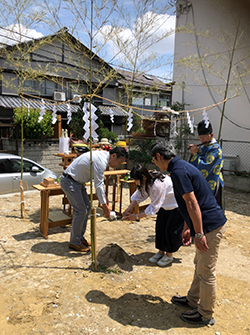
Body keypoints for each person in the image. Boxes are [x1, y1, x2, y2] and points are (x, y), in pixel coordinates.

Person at [150, 140, 227, 326]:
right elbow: (188, 203)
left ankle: (205, 314)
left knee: (206, 271)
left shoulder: (177, 171)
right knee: (199, 265)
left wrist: (199, 233)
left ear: (159, 156)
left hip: (210, 225)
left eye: (154, 160)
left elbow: (192, 203)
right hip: (205, 224)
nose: (155, 164)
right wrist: (187, 227)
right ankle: (192, 300)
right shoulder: (181, 166)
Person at [60, 146, 128, 252]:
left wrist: (106, 205)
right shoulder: (100, 161)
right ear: (113, 155)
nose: (118, 165)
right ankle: (74, 242)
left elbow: (100, 186)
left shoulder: (103, 157)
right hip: (70, 182)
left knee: (87, 208)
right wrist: (105, 208)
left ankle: (79, 237)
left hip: (77, 182)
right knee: (81, 211)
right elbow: (99, 186)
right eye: (120, 162)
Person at [122, 164, 184, 267]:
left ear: (144, 177)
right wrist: (130, 207)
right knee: (160, 229)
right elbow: (140, 195)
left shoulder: (158, 184)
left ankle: (169, 255)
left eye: (136, 180)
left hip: (175, 207)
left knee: (170, 231)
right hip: (164, 207)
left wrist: (137, 217)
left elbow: (154, 206)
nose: (136, 183)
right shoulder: (145, 181)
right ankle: (160, 252)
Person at [188, 120, 224, 208]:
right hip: (201, 183)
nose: (202, 139)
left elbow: (205, 167)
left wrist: (195, 154)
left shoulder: (216, 150)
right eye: (200, 137)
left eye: (204, 137)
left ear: (211, 135)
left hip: (212, 182)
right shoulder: (203, 146)